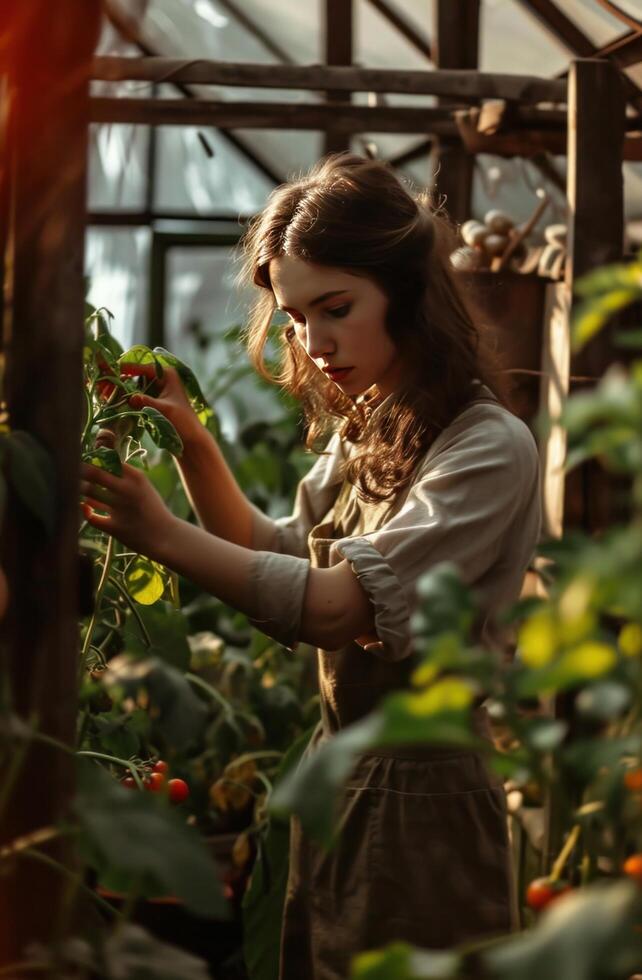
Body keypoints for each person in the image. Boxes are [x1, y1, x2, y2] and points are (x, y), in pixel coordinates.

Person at [81, 153, 541, 979]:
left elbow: (334, 608)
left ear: (406, 292)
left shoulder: (484, 447)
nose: (313, 343)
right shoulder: (369, 426)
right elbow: (277, 551)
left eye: (335, 309)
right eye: (294, 318)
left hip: (427, 803)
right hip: (340, 785)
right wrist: (192, 443)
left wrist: (157, 534)